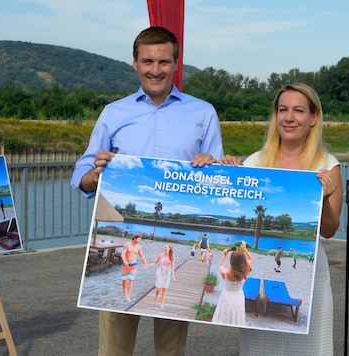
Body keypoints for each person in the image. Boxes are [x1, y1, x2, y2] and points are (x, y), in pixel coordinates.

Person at [69, 26, 224, 356]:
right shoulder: (113, 113)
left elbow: (218, 177)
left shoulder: (203, 112)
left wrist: (211, 166)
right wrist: (95, 177)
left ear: (176, 64)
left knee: (170, 350)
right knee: (113, 349)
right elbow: (80, 174)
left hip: (168, 252)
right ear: (135, 63)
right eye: (148, 61)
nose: (156, 70)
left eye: (164, 62)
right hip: (128, 248)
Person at [219, 83, 343, 354]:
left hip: (315, 277)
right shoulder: (253, 161)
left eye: (299, 110)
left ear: (313, 118)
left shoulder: (327, 164)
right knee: (260, 347)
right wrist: (227, 171)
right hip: (256, 274)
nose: (289, 117)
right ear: (275, 116)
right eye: (282, 109)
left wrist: (323, 200)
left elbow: (331, 229)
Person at [211, 242, 253, 326]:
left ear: (231, 261)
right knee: (237, 314)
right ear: (243, 261)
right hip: (238, 296)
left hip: (226, 296)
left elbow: (220, 266)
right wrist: (245, 249)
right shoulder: (246, 270)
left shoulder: (226, 273)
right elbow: (251, 258)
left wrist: (224, 255)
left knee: (223, 315)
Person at [146, 244, 175, 309]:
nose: (165, 248)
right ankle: (156, 295)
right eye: (164, 247)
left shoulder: (172, 256)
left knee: (164, 289)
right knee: (158, 288)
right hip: (159, 272)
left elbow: (172, 266)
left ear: (169, 248)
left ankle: (162, 304)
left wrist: (172, 275)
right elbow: (154, 263)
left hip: (167, 273)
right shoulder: (160, 255)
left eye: (166, 247)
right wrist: (147, 266)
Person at [121, 234, 148, 302]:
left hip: (133, 264)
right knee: (124, 280)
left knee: (131, 280)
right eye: (139, 239)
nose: (139, 241)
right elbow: (123, 254)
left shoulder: (138, 247)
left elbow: (141, 256)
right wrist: (124, 261)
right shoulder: (127, 244)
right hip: (126, 264)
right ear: (135, 239)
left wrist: (145, 264)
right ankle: (124, 290)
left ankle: (128, 295)